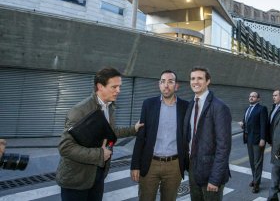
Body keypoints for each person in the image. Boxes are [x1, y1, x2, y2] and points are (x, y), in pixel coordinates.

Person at [56, 67, 143, 201]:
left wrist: (134, 129)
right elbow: (65, 147)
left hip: (98, 175)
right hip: (76, 179)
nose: (118, 91)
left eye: (119, 87)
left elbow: (110, 133)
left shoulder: (109, 107)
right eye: (114, 87)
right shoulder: (79, 111)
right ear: (100, 86)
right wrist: (100, 155)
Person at [130, 70, 189, 201]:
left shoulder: (185, 106)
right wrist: (135, 165)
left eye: (170, 82)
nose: (166, 85)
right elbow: (141, 137)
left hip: (174, 165)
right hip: (150, 163)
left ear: (176, 86)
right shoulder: (148, 104)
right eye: (163, 82)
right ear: (159, 84)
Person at [184, 66, 232, 201]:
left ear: (208, 81)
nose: (195, 82)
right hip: (193, 169)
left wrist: (215, 179)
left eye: (200, 78)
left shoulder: (219, 107)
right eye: (193, 78)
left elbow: (223, 147)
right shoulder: (190, 105)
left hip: (211, 173)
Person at [239, 91, 268, 193]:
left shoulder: (262, 109)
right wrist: (243, 123)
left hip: (257, 139)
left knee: (257, 162)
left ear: (258, 99)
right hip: (248, 139)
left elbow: (263, 125)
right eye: (250, 96)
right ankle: (254, 178)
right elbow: (246, 121)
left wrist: (263, 139)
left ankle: (257, 184)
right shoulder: (248, 108)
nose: (251, 98)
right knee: (252, 162)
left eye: (253, 96)